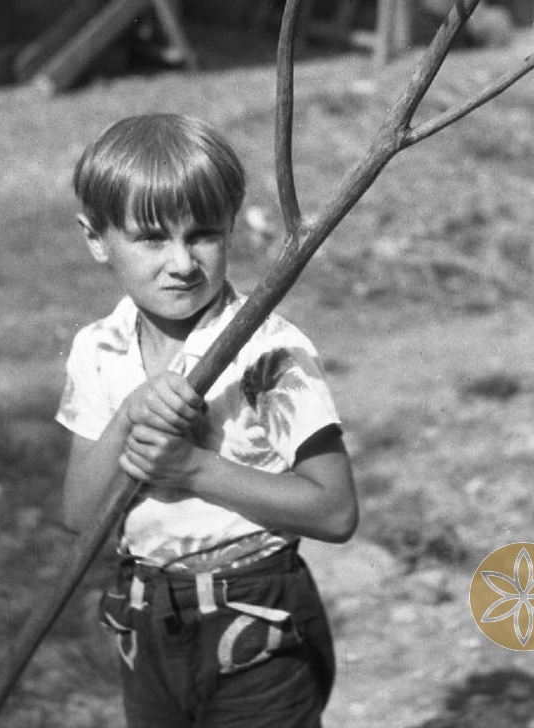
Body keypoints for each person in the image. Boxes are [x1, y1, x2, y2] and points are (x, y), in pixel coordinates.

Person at [56, 112, 358, 728]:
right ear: (96, 238)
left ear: (230, 227)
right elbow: (80, 516)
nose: (182, 263)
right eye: (151, 239)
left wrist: (192, 468)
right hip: (146, 619)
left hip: (257, 619)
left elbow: (335, 511)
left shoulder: (269, 350)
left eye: (202, 235)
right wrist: (127, 419)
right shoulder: (98, 350)